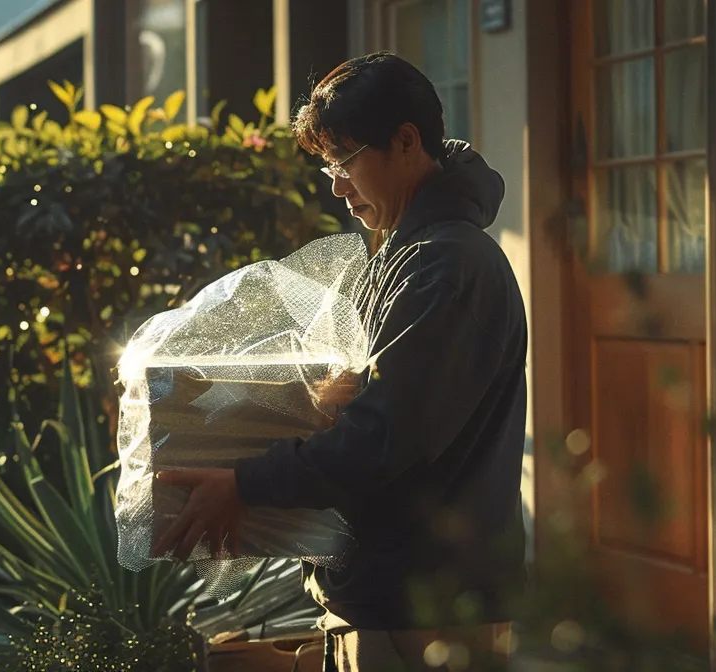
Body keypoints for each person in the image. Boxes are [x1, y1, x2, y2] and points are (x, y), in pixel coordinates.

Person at [149, 52, 528, 672]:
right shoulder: (402, 251)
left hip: (427, 606)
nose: (335, 184)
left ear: (406, 143)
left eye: (345, 160)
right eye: (328, 163)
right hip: (388, 593)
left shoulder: (447, 265)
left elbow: (383, 436)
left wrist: (247, 484)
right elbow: (355, 402)